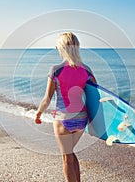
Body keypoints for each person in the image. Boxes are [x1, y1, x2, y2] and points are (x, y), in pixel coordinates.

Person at [35, 32, 96, 182]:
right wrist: (94, 120)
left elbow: (47, 98)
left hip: (63, 119)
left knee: (66, 158)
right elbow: (95, 97)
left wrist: (38, 113)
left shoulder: (56, 70)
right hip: (82, 120)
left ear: (61, 48)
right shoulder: (87, 70)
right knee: (70, 153)